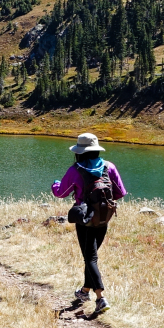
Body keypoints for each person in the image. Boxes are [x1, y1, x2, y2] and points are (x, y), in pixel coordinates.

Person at [50, 132, 127, 318]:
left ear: (79, 152)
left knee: (90, 258)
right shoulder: (109, 167)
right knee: (90, 256)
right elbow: (120, 193)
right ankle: (84, 291)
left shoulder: (75, 170)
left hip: (84, 220)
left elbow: (61, 193)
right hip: (103, 218)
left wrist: (55, 184)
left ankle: (100, 298)